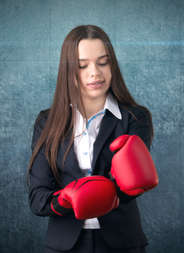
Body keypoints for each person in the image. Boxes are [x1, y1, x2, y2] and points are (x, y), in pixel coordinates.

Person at [27, 25, 156, 253]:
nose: (94, 72)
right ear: (68, 71)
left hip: (122, 244)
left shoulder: (136, 118)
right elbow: (38, 199)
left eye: (103, 62)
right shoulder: (46, 122)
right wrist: (64, 199)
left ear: (112, 65)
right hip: (64, 245)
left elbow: (130, 185)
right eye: (82, 65)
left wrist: (93, 192)